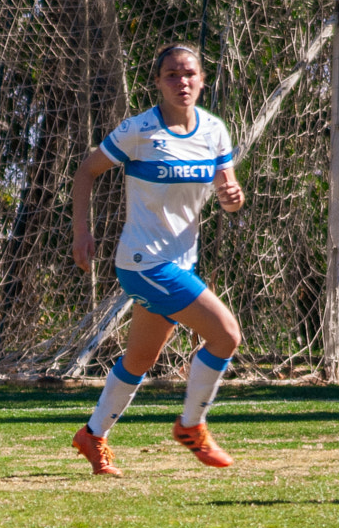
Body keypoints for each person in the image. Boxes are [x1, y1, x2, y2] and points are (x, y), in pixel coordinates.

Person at [67, 43, 246, 476]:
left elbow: (229, 195)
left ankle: (92, 435)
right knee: (225, 335)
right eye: (171, 74)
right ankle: (191, 426)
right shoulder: (139, 131)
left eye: (189, 74)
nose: (181, 82)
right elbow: (86, 172)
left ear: (203, 80)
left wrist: (233, 199)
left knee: (140, 360)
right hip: (143, 263)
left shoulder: (215, 132)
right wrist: (81, 232)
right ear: (157, 82)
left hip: (180, 262)